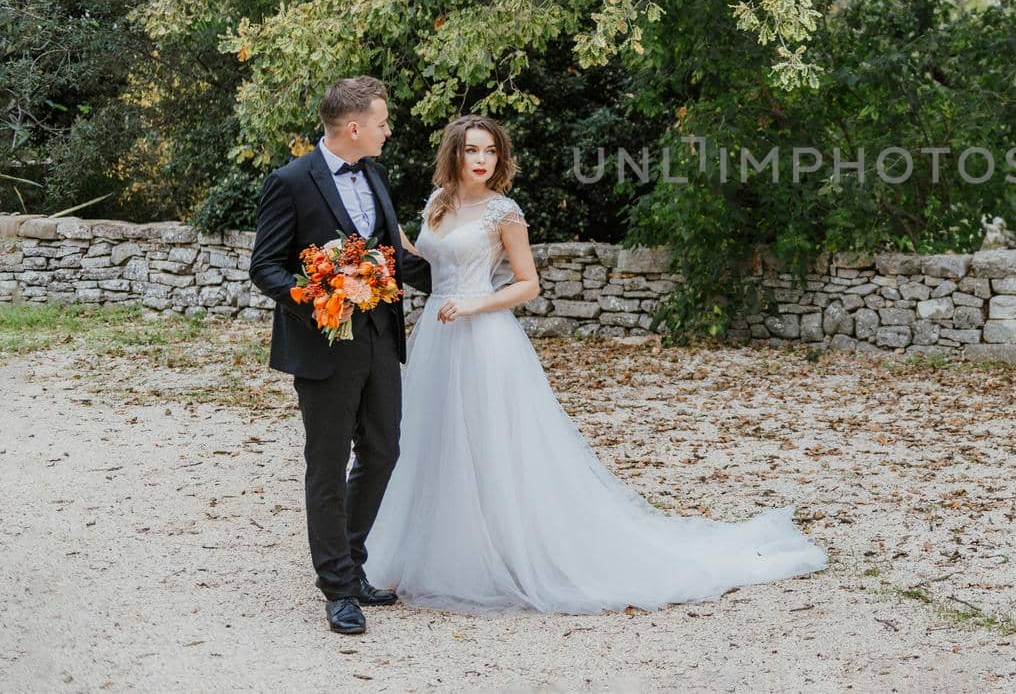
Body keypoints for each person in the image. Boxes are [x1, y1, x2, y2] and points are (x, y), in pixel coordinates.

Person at [363, 114, 827, 613]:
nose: (481, 160)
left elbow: (528, 283)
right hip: (436, 332)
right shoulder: (438, 203)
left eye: (490, 152)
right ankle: (437, 550)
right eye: (472, 150)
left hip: (483, 335)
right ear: (454, 152)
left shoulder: (505, 213)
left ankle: (506, 555)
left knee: (491, 442)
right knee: (434, 438)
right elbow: (422, 260)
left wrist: (475, 303)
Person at [247, 76, 433, 635]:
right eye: (382, 122)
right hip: (325, 345)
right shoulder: (289, 181)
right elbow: (266, 267)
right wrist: (320, 297)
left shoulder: (375, 174)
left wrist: (462, 278)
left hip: (380, 339)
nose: (388, 130)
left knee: (383, 451)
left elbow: (392, 257)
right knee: (326, 464)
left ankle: (350, 562)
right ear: (354, 127)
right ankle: (338, 588)